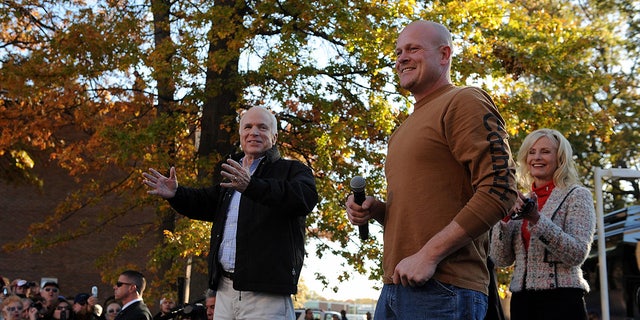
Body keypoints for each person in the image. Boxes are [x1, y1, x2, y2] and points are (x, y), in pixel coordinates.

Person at [345, 20, 517, 319]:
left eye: (413, 48)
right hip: (395, 287)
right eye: (398, 51)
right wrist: (380, 211)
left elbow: (500, 189)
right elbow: (430, 208)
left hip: (445, 289)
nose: (401, 57)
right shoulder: (401, 130)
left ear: (444, 55)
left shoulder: (464, 100)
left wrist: (429, 255)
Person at [143, 106, 319, 320]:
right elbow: (205, 202)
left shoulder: (293, 170)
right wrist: (176, 194)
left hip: (266, 295)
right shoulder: (231, 176)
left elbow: (304, 199)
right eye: (248, 126)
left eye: (262, 127)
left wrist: (251, 186)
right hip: (225, 292)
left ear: (274, 136)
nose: (254, 132)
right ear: (240, 135)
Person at [490, 128, 596, 320]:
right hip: (522, 302)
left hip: (562, 300)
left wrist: (535, 219)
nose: (536, 157)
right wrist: (503, 219)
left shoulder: (577, 195)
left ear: (560, 158)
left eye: (545, 151)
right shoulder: (519, 200)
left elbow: (577, 253)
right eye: (532, 152)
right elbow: (501, 259)